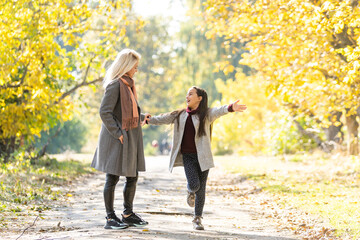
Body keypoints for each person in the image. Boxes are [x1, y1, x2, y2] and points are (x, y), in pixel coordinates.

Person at [145, 86, 247, 230]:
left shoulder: (206, 114)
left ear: (199, 98)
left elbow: (219, 110)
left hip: (203, 157)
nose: (187, 96)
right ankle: (189, 191)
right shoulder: (180, 114)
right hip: (188, 157)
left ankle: (197, 218)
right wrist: (147, 119)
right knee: (194, 185)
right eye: (187, 94)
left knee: (201, 189)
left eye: (191, 94)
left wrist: (231, 107)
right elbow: (163, 118)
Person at [91, 49, 149, 230]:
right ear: (126, 66)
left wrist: (141, 117)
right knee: (113, 176)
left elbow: (126, 112)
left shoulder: (129, 85)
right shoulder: (115, 85)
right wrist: (118, 133)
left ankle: (127, 214)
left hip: (129, 136)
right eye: (135, 67)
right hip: (116, 138)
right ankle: (110, 218)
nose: (136, 70)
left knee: (132, 175)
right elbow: (105, 112)